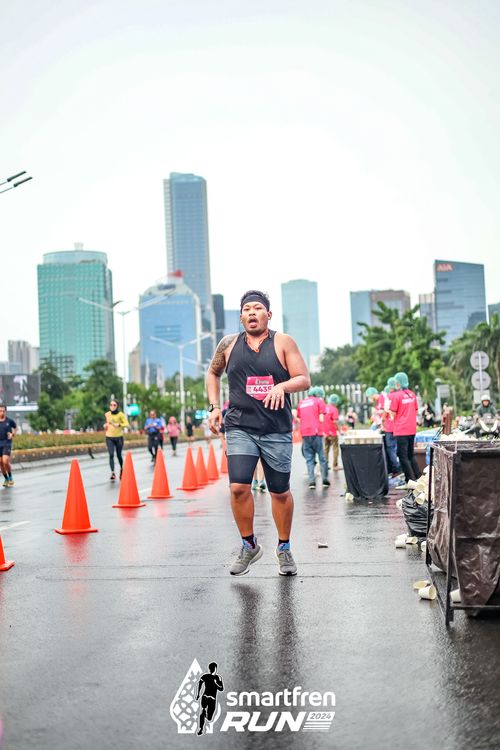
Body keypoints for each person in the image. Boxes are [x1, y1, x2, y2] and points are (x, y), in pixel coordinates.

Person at [206, 289, 310, 577]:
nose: (252, 312)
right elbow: (213, 373)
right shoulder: (228, 344)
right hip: (240, 426)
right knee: (239, 488)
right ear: (241, 317)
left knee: (279, 491)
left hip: (275, 428)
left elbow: (303, 378)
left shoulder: (283, 342)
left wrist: (282, 386)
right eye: (247, 309)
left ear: (268, 314)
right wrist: (214, 407)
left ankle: (284, 548)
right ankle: (248, 545)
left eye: (257, 308)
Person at [388, 372, 420, 484]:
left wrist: (389, 412)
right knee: (410, 455)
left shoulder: (397, 396)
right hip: (412, 429)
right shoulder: (412, 394)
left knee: (402, 456)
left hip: (401, 430)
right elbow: (416, 410)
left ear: (398, 383)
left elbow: (392, 413)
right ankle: (418, 477)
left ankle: (410, 480)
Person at [297, 387, 329, 488]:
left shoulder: (301, 403)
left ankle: (312, 482)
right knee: (322, 458)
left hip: (305, 433)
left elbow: (299, 418)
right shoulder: (319, 401)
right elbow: (321, 418)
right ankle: (325, 480)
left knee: (309, 458)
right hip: (316, 432)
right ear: (318, 394)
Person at [195, 662, 224, 736]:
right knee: (204, 712)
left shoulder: (216, 677)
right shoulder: (209, 676)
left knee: (208, 717)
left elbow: (221, 688)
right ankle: (201, 728)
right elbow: (221, 688)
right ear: (214, 669)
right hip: (208, 698)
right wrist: (198, 694)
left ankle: (204, 717)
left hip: (208, 698)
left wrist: (198, 694)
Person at [103, 399, 129, 480]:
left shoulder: (120, 414)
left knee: (118, 455)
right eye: (111, 405)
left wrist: (119, 424)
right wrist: (105, 426)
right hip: (109, 437)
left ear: (117, 406)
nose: (112, 406)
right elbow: (107, 423)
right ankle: (113, 472)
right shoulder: (107, 414)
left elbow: (126, 424)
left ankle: (121, 469)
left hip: (118, 438)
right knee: (111, 454)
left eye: (114, 405)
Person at [381, 381, 401, 477]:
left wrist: (382, 423)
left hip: (389, 428)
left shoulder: (389, 397)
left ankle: (396, 469)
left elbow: (385, 412)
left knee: (391, 449)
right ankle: (401, 468)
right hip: (399, 427)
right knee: (398, 448)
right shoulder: (400, 396)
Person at [0, 404, 17, 487]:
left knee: (5, 461)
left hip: (7, 443)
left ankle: (10, 477)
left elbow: (15, 427)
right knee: (0, 463)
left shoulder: (9, 421)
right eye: (0, 411)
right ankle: (6, 479)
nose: (2, 412)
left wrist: (12, 434)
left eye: (3, 411)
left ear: (5, 411)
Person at [324, 394, 341, 470]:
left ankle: (325, 465)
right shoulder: (334, 409)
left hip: (324, 432)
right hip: (332, 432)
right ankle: (335, 465)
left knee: (325, 448)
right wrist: (340, 430)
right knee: (335, 448)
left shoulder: (324, 407)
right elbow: (335, 421)